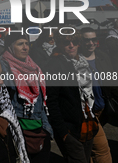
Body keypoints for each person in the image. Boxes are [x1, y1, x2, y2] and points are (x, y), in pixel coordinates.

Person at [44, 27, 98, 163]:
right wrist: (63, 133)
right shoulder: (55, 65)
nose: (71, 45)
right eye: (66, 42)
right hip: (70, 129)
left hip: (87, 122)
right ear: (59, 43)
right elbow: (51, 102)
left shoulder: (82, 62)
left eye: (74, 41)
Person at [1, 32, 52, 163]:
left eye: (27, 44)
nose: (25, 47)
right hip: (18, 131)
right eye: (20, 44)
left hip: (39, 129)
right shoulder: (4, 67)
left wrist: (47, 130)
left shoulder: (34, 67)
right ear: (10, 47)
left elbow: (41, 101)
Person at [80, 27, 113, 163]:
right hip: (88, 113)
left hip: (103, 109)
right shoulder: (75, 60)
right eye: (87, 40)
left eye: (93, 39)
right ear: (81, 42)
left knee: (89, 149)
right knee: (102, 151)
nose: (91, 43)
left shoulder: (102, 56)